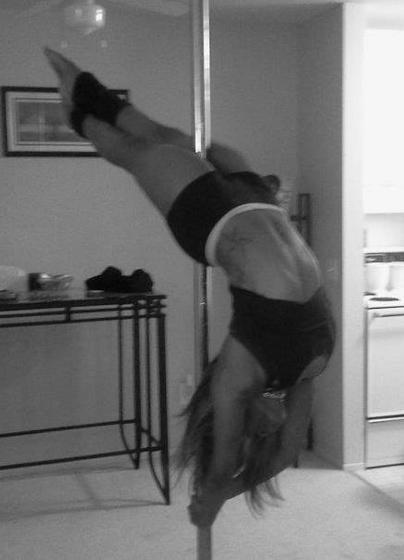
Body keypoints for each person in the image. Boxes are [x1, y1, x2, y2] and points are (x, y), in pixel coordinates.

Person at [44, 47, 336, 528]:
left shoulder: (239, 374)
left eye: (249, 433)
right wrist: (235, 487)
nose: (272, 426)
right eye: (263, 434)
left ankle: (77, 108)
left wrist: (217, 497)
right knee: (173, 139)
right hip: (259, 199)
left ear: (239, 423)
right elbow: (287, 455)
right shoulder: (306, 370)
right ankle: (84, 92)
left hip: (212, 221)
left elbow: (220, 471)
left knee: (133, 151)